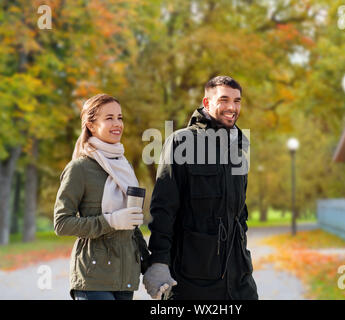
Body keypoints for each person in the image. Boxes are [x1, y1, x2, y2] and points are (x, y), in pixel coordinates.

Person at [143, 76, 258, 300]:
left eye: (237, 101)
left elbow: (239, 211)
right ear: (206, 103)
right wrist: (158, 261)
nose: (232, 107)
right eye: (224, 100)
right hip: (192, 278)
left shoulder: (239, 148)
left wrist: (242, 255)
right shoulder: (181, 143)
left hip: (239, 279)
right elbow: (163, 208)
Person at [54, 93, 149, 300]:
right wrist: (111, 221)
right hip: (93, 277)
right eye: (109, 118)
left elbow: (130, 226)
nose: (117, 124)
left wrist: (149, 267)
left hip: (125, 278)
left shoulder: (125, 167)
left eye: (120, 117)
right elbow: (62, 223)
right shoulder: (80, 168)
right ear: (91, 125)